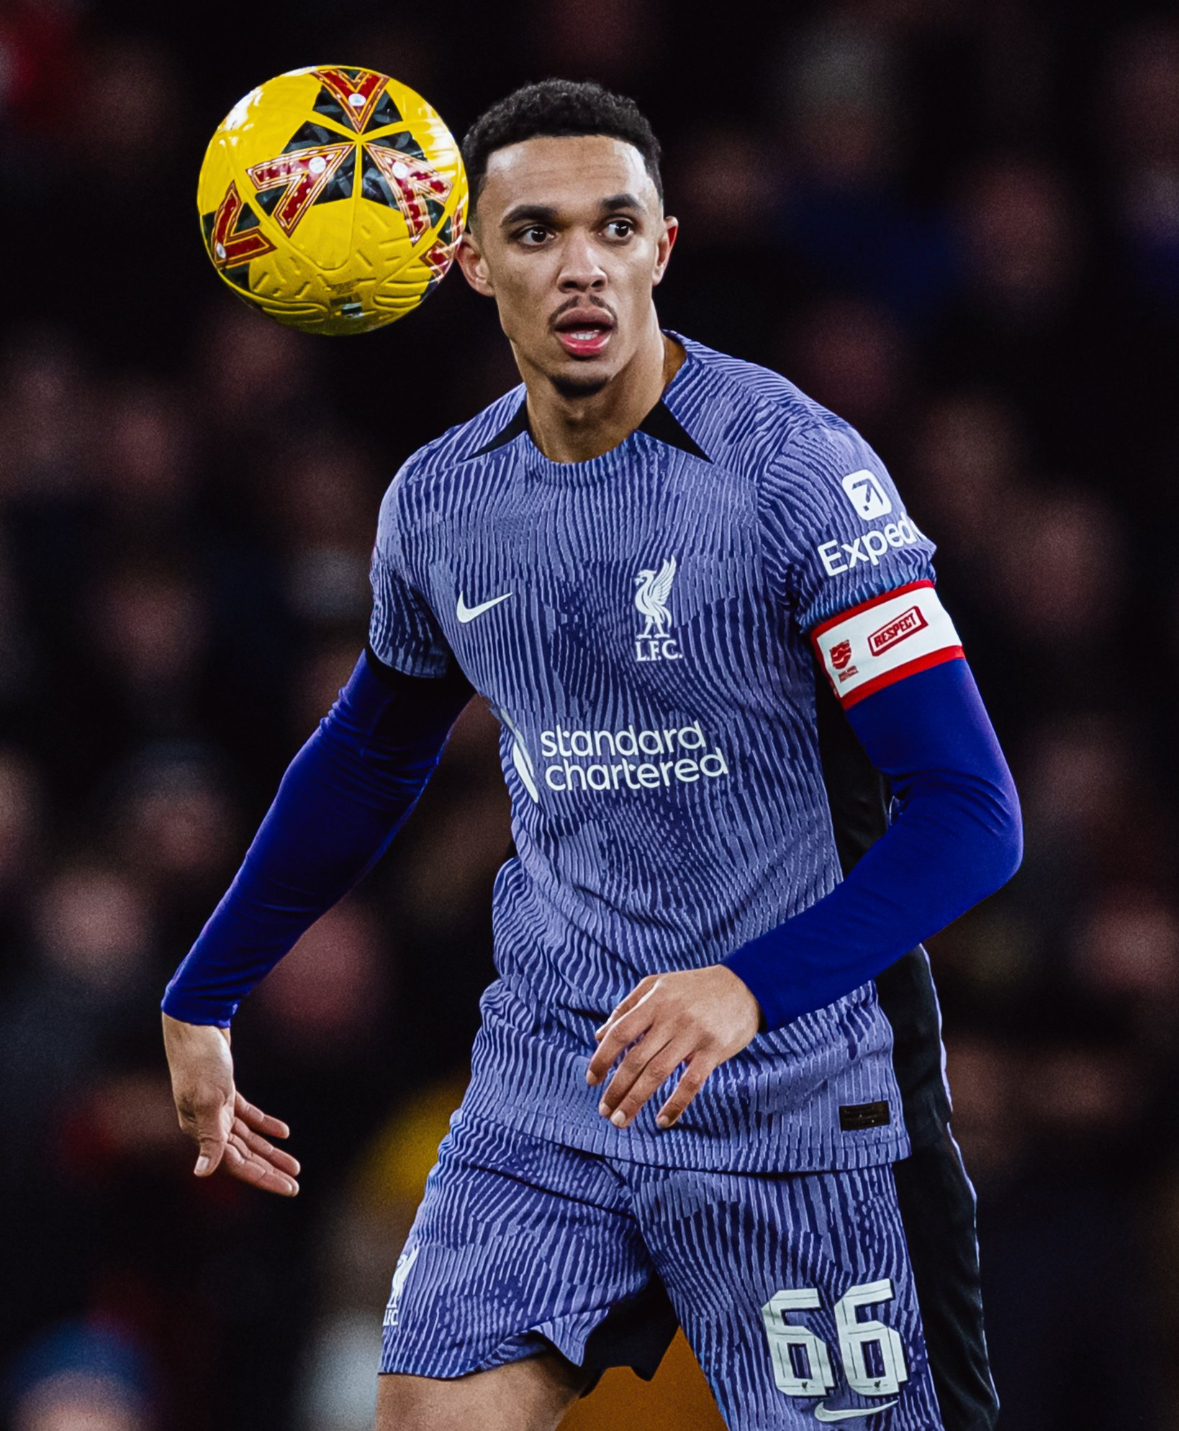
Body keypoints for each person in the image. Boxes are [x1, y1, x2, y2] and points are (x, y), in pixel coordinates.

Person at [161, 79, 1021, 1431]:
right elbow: (371, 757)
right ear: (467, 264)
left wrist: (746, 987)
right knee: (430, 1414)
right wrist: (207, 990)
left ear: (663, 248)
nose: (582, 264)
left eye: (616, 228)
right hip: (556, 1086)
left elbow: (972, 812)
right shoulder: (442, 501)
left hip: (803, 1097)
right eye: (539, 230)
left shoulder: (799, 473)